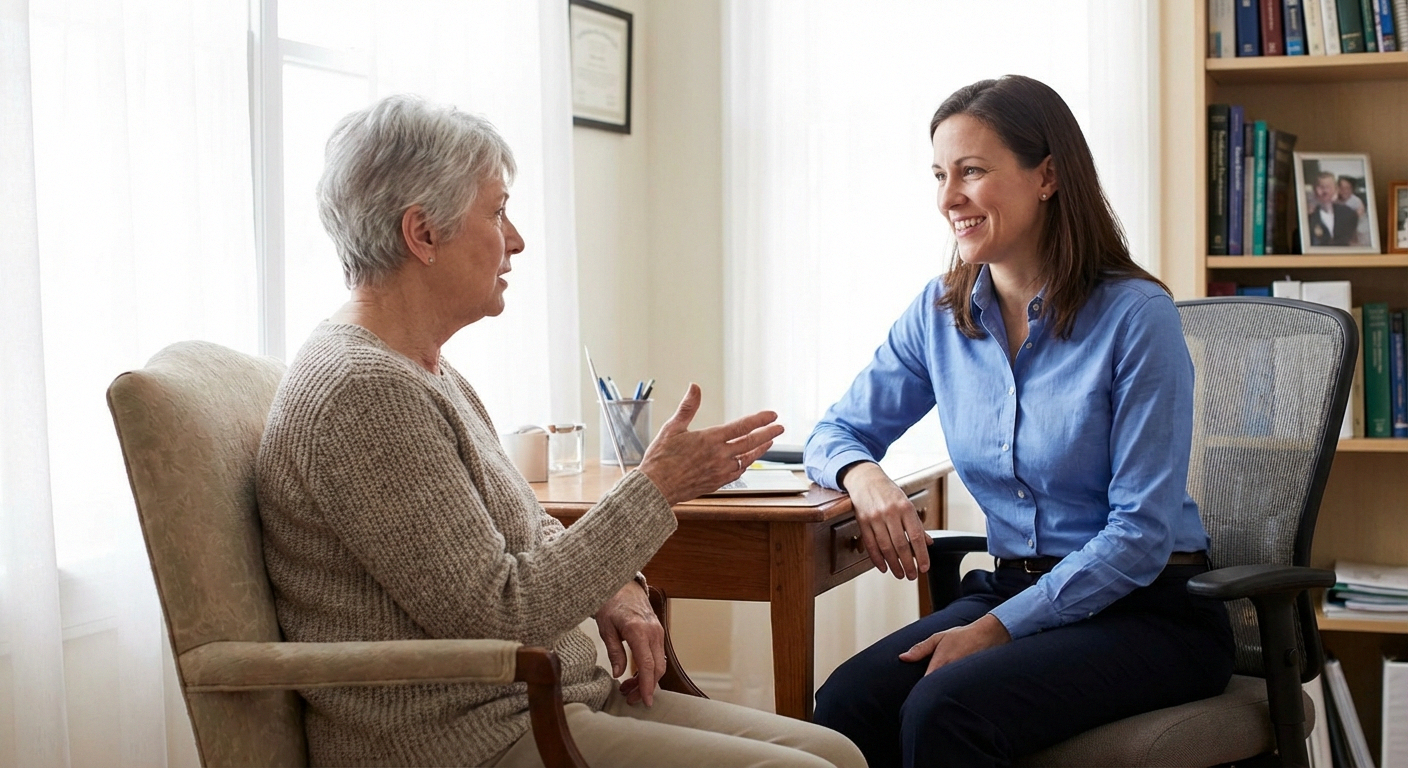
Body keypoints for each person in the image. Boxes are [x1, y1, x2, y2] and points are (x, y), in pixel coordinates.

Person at [256, 94, 865, 768]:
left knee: (836, 752)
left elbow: (527, 530)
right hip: (465, 739)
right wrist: (655, 488)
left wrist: (616, 584)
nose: (515, 239)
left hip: (551, 701)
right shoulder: (363, 393)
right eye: (497, 212)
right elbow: (501, 611)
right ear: (421, 234)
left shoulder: (426, 369)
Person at [804, 75, 1235, 767]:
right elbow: (833, 433)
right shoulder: (940, 315)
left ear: (1048, 176)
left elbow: (1141, 534)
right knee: (847, 704)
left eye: (972, 172)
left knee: (946, 710)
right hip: (1014, 586)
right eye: (941, 175)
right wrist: (865, 477)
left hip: (1149, 610)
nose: (948, 199)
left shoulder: (1135, 317)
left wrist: (1003, 628)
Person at [1307, 171, 1358, 246]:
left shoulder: (1349, 214)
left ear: (1336, 189)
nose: (1325, 191)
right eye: (1321, 187)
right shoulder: (1309, 217)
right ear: (1314, 189)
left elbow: (1354, 242)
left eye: (1328, 187)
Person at [1336, 175, 1371, 246]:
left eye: (1348, 188)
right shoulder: (1334, 200)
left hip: (1360, 234)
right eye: (1341, 188)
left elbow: (1352, 221)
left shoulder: (1356, 201)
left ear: (1352, 189)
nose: (1344, 191)